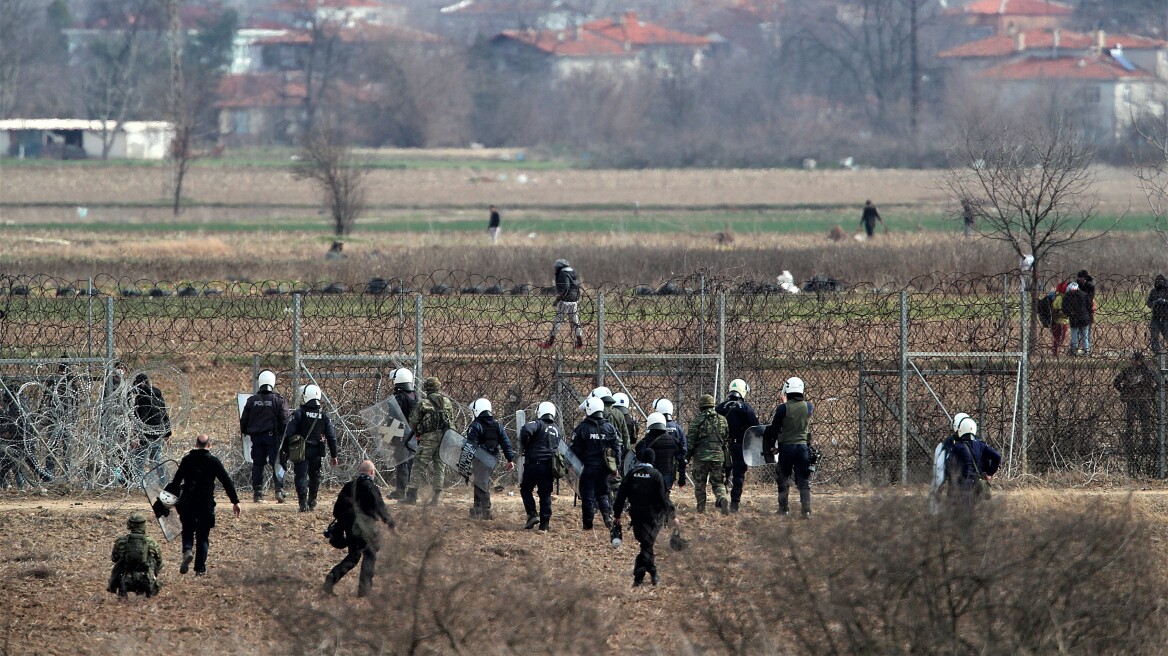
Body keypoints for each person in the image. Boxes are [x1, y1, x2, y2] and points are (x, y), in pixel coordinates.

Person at [164, 434, 241, 577]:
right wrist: (235, 501)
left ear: (196, 444)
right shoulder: (213, 461)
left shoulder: (187, 460)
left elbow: (176, 482)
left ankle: (187, 549)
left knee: (187, 529)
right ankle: (200, 569)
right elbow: (226, 482)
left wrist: (166, 501)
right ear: (209, 445)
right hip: (205, 504)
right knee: (203, 536)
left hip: (187, 502)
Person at [324, 460, 395, 598]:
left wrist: (346, 522)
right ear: (372, 472)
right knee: (370, 555)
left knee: (353, 556)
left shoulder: (349, 486)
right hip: (366, 529)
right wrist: (390, 524)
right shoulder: (371, 487)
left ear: (359, 471)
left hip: (350, 529)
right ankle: (364, 592)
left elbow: (337, 510)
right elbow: (380, 508)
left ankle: (332, 577)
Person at [611, 448, 678, 587]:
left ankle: (648, 576)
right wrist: (672, 516)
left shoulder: (631, 474)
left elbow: (620, 496)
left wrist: (617, 515)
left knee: (646, 545)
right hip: (653, 518)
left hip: (636, 516)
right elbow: (663, 498)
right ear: (653, 460)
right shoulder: (656, 475)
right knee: (647, 546)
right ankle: (643, 576)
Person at [762, 377, 814, 518]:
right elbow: (799, 415)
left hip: (787, 449)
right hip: (803, 449)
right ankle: (806, 511)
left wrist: (772, 445)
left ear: (787, 390)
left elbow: (774, 429)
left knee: (783, 478)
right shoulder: (808, 406)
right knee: (803, 480)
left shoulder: (782, 408)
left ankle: (783, 509)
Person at [283, 384, 339, 512]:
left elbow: (289, 433)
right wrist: (334, 455)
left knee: (301, 476)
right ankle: (312, 501)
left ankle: (302, 503)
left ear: (306, 396)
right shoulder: (324, 416)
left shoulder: (299, 413)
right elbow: (331, 436)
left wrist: (286, 450)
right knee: (315, 476)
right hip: (316, 450)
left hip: (300, 449)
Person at [239, 370, 291, 503]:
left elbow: (243, 421)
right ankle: (279, 490)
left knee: (258, 464)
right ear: (272, 382)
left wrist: (248, 432)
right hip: (273, 438)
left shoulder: (252, 401)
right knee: (278, 463)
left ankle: (258, 494)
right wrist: (283, 436)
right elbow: (285, 420)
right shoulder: (279, 400)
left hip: (257, 438)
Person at [570, 397, 619, 530]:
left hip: (588, 467)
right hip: (605, 468)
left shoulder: (582, 428)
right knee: (603, 492)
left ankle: (588, 524)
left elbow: (574, 449)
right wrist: (615, 468)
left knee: (588, 496)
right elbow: (616, 448)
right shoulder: (609, 427)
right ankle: (607, 516)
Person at [406, 377, 454, 506]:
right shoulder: (447, 402)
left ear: (426, 389)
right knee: (440, 467)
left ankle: (411, 496)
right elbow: (451, 421)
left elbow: (413, 422)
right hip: (444, 438)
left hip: (428, 438)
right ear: (438, 387)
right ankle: (435, 499)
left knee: (418, 465)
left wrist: (416, 431)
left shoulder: (423, 403)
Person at [465, 398, 516, 520]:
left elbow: (470, 445)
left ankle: (485, 510)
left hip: (480, 458)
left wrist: (465, 461)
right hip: (492, 459)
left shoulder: (475, 425)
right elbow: (506, 443)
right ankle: (477, 508)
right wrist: (510, 459)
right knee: (480, 481)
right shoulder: (497, 425)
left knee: (482, 482)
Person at [1113, 353, 1162, 479]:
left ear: (1139, 360)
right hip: (1133, 400)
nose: (1133, 362)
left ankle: (1145, 445)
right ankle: (1130, 444)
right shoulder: (1129, 370)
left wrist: (1151, 392)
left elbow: (1159, 382)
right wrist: (1124, 391)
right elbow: (1116, 382)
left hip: (1143, 399)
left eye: (1135, 360)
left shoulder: (1146, 371)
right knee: (1131, 423)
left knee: (1145, 423)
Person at [716, 378, 759, 513]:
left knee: (722, 474)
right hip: (740, 446)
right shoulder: (746, 409)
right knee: (738, 475)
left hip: (722, 446)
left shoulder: (720, 407)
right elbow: (755, 428)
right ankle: (735, 504)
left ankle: (721, 499)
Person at [519, 401, 561, 531]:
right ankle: (545, 525)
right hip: (549, 467)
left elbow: (525, 430)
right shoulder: (557, 429)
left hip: (533, 465)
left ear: (540, 411)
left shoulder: (537, 424)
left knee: (525, 489)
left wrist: (526, 445)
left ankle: (532, 514)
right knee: (545, 495)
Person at [943, 417, 1001, 509]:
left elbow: (947, 465)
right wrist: (989, 473)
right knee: (976, 511)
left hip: (961, 484)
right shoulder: (981, 445)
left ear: (960, 430)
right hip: (977, 484)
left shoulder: (957, 447)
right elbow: (997, 457)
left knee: (958, 513)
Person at [686, 394, 731, 514]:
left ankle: (701, 509)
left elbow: (690, 442)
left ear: (701, 406)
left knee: (700, 484)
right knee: (718, 482)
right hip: (718, 456)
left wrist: (686, 457)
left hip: (701, 457)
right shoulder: (723, 420)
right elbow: (726, 438)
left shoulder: (697, 421)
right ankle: (722, 499)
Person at [107, 512, 163, 598]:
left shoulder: (121, 541)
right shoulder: (152, 542)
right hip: (146, 581)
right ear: (144, 525)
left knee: (119, 565)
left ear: (129, 525)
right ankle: (150, 591)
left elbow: (114, 558)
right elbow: (159, 562)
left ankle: (115, 589)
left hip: (126, 581)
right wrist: (153, 573)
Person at [132, 373, 172, 487]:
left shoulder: (143, 398)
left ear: (142, 383)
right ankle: (163, 482)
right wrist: (167, 434)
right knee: (156, 460)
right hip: (158, 433)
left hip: (146, 434)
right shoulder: (158, 396)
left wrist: (136, 436)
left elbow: (141, 419)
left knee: (139, 461)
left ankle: (140, 485)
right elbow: (164, 415)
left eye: (136, 384)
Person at [538, 259, 584, 350]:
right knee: (575, 322)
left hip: (565, 301)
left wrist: (557, 300)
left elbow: (565, 288)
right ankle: (580, 344)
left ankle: (550, 343)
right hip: (574, 300)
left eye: (556, 268)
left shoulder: (563, 274)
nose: (555, 270)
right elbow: (577, 287)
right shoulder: (572, 272)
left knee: (557, 322)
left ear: (560, 267)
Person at [387, 368, 418, 501]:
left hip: (401, 433)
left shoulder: (398, 397)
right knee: (410, 462)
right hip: (413, 433)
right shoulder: (414, 395)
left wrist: (387, 435)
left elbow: (393, 417)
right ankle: (411, 491)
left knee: (401, 462)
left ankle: (401, 491)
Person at [636, 413, 683, 496]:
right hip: (667, 476)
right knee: (664, 499)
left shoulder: (645, 441)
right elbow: (682, 459)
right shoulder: (673, 440)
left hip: (650, 475)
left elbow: (639, 456)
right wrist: (682, 478)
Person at [1062, 281, 1093, 356]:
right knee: (1085, 336)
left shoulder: (1067, 296)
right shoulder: (1084, 294)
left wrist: (1069, 313)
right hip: (1085, 318)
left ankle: (1075, 351)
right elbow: (1090, 306)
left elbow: (1064, 308)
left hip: (1074, 318)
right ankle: (1087, 352)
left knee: (1074, 336)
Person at [1146, 274, 1168, 355]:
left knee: (1167, 334)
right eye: (1158, 281)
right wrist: (1155, 302)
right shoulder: (1153, 291)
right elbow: (1148, 303)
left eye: (1161, 281)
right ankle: (1156, 351)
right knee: (1154, 335)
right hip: (1155, 317)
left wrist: (1165, 301)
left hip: (1166, 317)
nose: (1160, 283)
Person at [1050, 282, 1070, 357]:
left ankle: (1055, 351)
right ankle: (1055, 352)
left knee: (1057, 338)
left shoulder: (1059, 296)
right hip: (1061, 322)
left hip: (1059, 321)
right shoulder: (1060, 297)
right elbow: (1056, 309)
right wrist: (1065, 313)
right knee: (1059, 338)